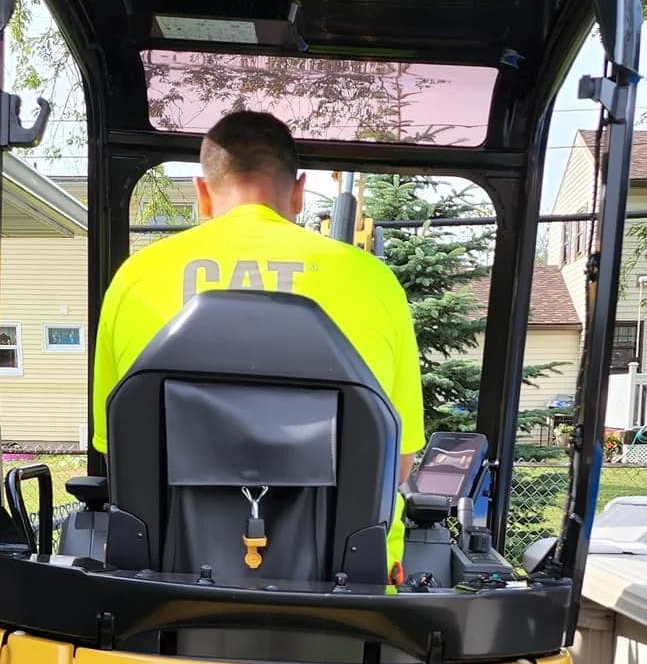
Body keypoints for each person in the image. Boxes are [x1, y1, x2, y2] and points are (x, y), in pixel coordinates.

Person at [92, 112, 424, 564]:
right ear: (299, 191)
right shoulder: (373, 282)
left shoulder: (137, 279)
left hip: (162, 580)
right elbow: (396, 462)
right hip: (348, 583)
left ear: (203, 194)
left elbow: (122, 455)